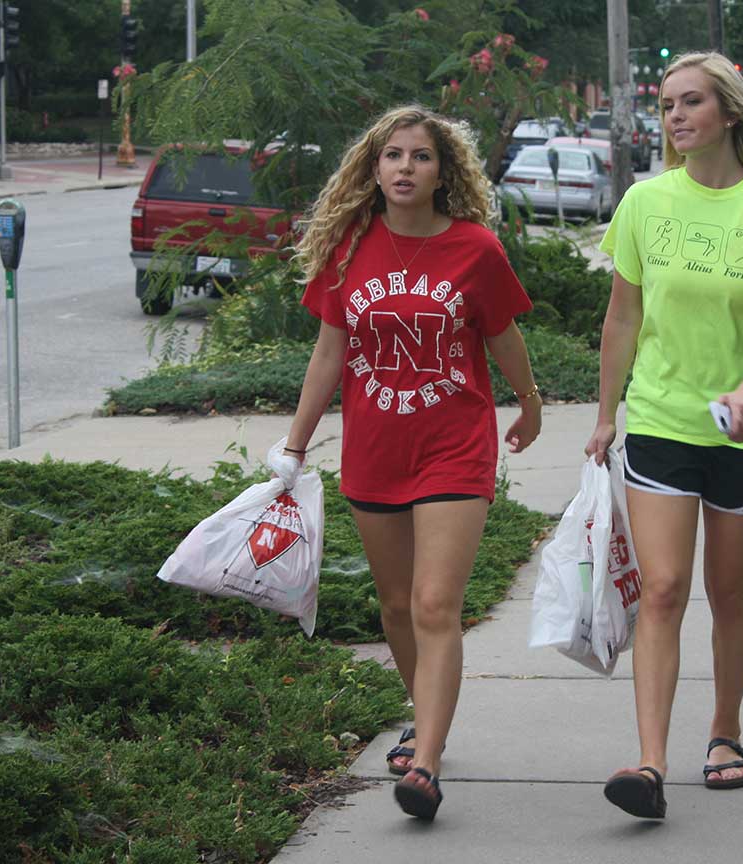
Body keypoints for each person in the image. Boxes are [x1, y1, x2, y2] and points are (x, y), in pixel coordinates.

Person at [269, 105, 542, 822]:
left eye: (420, 157)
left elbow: (504, 334)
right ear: (374, 167)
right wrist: (294, 447)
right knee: (394, 607)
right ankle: (426, 714)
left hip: (455, 446)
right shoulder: (350, 250)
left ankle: (425, 759)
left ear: (442, 172)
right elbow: (328, 354)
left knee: (433, 604)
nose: (404, 168)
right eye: (393, 155)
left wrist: (531, 402)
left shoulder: (476, 248)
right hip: (374, 449)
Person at [585, 51, 743, 820]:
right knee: (661, 590)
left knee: (727, 592)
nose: (676, 117)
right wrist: (604, 414)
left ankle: (725, 731)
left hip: (742, 436)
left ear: (727, 112)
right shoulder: (645, 205)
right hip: (659, 422)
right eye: (666, 106)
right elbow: (623, 316)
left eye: (691, 102)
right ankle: (649, 763)